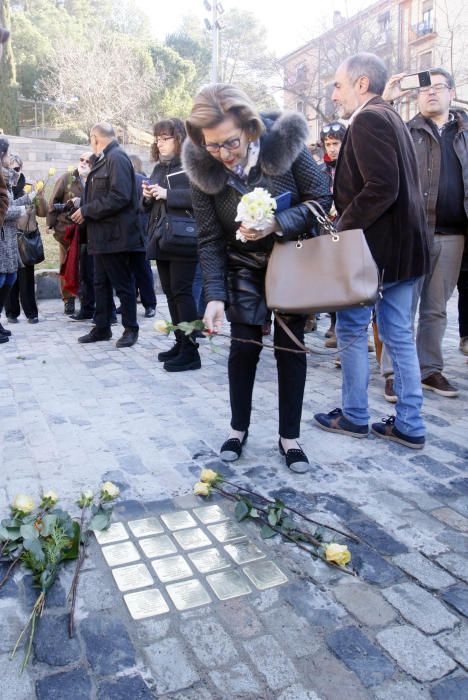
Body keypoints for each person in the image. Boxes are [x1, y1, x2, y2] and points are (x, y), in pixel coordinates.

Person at [184, 84, 332, 471]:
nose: (223, 154)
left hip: (291, 259)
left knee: (290, 349)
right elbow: (210, 237)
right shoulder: (205, 167)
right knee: (244, 347)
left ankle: (290, 438)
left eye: (229, 143)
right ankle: (238, 429)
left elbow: (321, 199)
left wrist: (276, 223)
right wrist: (214, 296)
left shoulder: (284, 142)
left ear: (249, 126)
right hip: (242, 265)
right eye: (212, 146)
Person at [314, 53, 430, 450]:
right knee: (398, 335)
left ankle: (354, 415)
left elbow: (382, 187)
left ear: (361, 84)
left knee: (351, 329)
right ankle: (410, 425)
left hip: (377, 254)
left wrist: (341, 230)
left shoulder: (368, 119)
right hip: (402, 251)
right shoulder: (389, 116)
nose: (333, 94)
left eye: (338, 85)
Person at [381, 68, 468, 398]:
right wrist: (387, 101)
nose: (431, 92)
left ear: (451, 92)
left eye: (438, 87)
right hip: (411, 233)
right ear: (417, 97)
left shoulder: (465, 131)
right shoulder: (403, 130)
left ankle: (430, 369)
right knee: (401, 307)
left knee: (436, 309)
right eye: (424, 89)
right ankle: (393, 372)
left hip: (453, 235)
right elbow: (372, 135)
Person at [71, 123, 144, 348]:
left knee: (122, 284)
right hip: (100, 236)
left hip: (116, 236)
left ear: (95, 138)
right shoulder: (104, 159)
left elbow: (119, 196)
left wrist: (87, 210)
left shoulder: (117, 158)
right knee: (100, 283)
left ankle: (131, 329)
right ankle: (102, 327)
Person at [143, 118, 200, 371]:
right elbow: (148, 206)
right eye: (158, 138)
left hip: (185, 239)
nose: (161, 143)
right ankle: (180, 342)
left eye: (166, 138)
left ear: (179, 138)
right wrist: (146, 197)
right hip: (162, 237)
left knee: (182, 292)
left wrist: (168, 195)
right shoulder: (159, 167)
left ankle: (191, 351)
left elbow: (201, 198)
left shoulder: (192, 164)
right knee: (169, 292)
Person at [0, 139, 44, 342]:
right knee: (4, 279)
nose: (11, 159)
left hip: (8, 237)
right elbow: (4, 210)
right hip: (3, 237)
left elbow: (9, 203)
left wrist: (30, 197)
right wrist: (21, 210)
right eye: (8, 155)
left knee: (10, 278)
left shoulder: (7, 178)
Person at [47, 153, 92, 316]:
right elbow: (53, 202)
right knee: (67, 265)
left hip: (87, 231)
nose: (84, 163)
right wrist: (51, 225)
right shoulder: (67, 178)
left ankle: (85, 298)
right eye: (81, 159)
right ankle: (68, 299)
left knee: (85, 266)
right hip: (67, 231)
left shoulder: (95, 180)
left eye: (88, 161)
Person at [126, 154, 157, 318]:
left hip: (140, 234)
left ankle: (149, 304)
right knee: (128, 272)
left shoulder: (140, 181)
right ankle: (129, 303)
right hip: (126, 235)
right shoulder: (121, 181)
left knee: (143, 272)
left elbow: (148, 208)